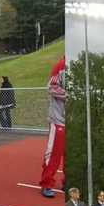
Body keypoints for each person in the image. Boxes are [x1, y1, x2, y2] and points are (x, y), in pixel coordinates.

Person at [40, 57, 66, 198]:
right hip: (59, 119)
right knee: (54, 153)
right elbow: (51, 87)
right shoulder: (61, 66)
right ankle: (47, 183)